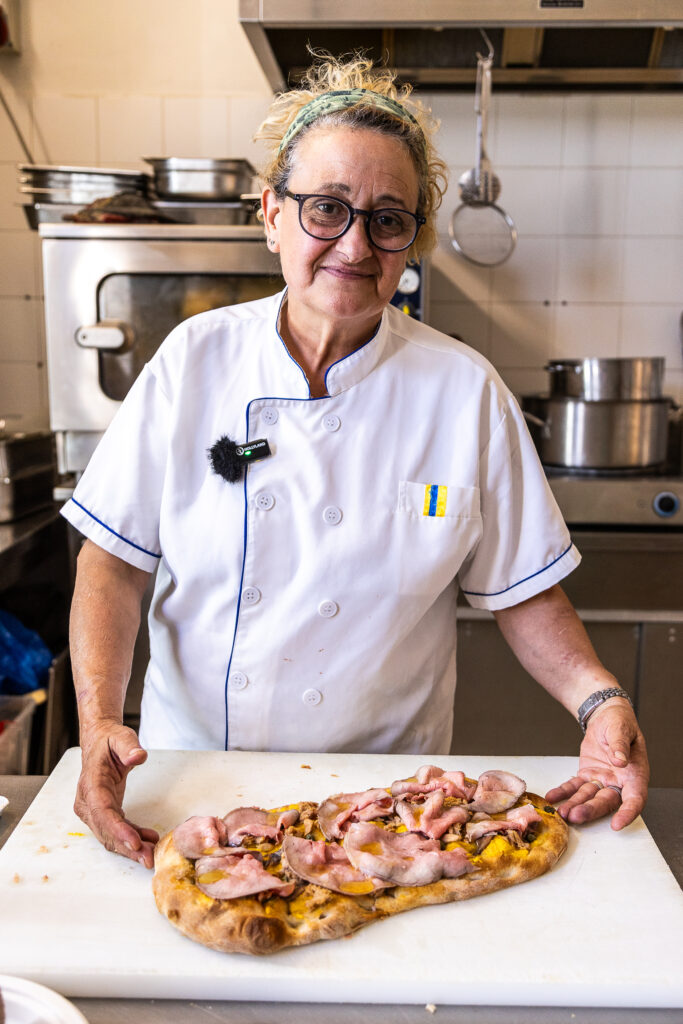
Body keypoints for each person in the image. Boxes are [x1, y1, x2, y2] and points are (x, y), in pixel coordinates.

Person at [63, 55, 649, 869]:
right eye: (325, 209)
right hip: (191, 779)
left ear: (412, 241)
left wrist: (599, 700)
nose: (353, 244)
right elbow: (114, 564)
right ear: (271, 215)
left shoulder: (461, 391)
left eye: (386, 219)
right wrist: (97, 727)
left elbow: (523, 593)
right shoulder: (193, 361)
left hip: (388, 803)